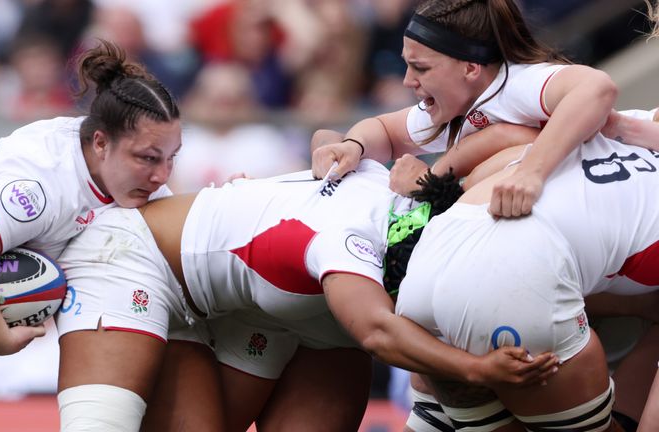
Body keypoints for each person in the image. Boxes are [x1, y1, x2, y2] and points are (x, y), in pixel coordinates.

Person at [54, 160, 558, 432]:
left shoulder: (406, 201)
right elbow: (378, 333)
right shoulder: (348, 241)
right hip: (136, 258)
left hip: (269, 306)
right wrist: (476, 369)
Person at [0, 39, 181, 431]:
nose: (162, 175)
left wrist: (230, 199)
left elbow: (181, 236)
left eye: (171, 157)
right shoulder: (43, 182)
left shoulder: (125, 176)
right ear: (101, 143)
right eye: (148, 158)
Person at [388, 129, 659, 431]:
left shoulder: (595, 134)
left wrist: (432, 176)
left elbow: (500, 140)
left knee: (435, 421)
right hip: (520, 281)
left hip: (429, 266)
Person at [311, 0, 617, 219]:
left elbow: (598, 86)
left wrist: (530, 173)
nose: (407, 81)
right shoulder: (462, 101)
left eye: (421, 68)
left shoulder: (517, 82)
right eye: (407, 65)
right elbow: (385, 132)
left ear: (470, 68)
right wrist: (353, 146)